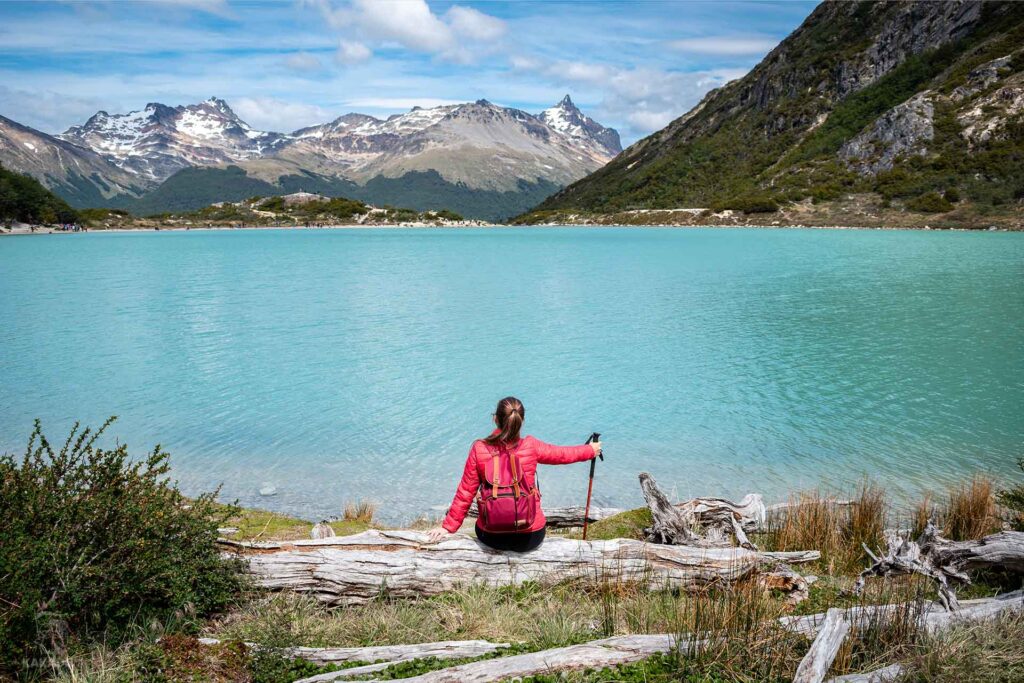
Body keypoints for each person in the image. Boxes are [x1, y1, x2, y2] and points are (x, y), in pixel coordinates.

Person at [426, 396, 601, 551]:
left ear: (495, 419)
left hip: (491, 536)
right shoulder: (531, 446)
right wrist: (590, 450)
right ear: (521, 421)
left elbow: (466, 491)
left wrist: (448, 527)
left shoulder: (480, 448)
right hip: (530, 537)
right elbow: (563, 454)